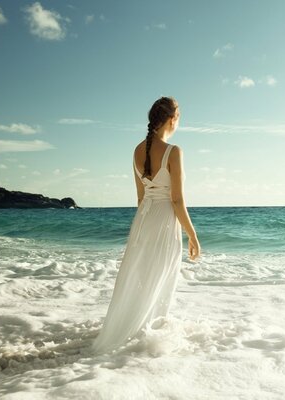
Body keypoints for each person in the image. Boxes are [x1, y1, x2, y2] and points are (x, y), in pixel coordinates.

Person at [91, 96, 200, 354]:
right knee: (161, 275)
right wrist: (192, 236)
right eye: (179, 117)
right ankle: (149, 333)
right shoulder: (174, 152)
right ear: (172, 119)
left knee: (141, 274)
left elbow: (141, 197)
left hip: (143, 219)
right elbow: (176, 199)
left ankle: (132, 328)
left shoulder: (137, 150)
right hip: (163, 219)